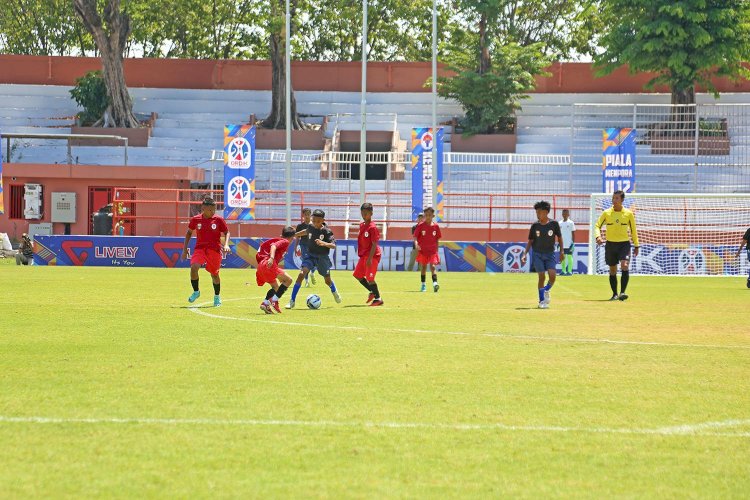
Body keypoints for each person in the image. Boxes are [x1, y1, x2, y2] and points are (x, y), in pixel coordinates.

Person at [286, 209, 341, 309]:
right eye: (314, 220)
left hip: (322, 258)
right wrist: (294, 234)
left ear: (323, 220)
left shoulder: (327, 231)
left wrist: (323, 243)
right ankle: (292, 301)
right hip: (310, 256)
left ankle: (334, 291)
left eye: (318, 221)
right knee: (301, 274)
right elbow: (306, 232)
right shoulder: (310, 226)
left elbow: (333, 245)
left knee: (327, 281)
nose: (315, 223)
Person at [181, 197, 230, 307]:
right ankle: (196, 291)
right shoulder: (195, 219)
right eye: (210, 210)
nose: (212, 212)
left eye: (214, 210)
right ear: (203, 208)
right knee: (194, 267)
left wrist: (226, 244)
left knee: (214, 275)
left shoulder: (219, 220)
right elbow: (188, 233)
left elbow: (227, 232)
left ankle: (217, 297)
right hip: (200, 249)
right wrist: (184, 250)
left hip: (214, 250)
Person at [594, 190, 639, 301]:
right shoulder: (606, 213)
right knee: (613, 270)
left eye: (617, 198)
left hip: (624, 245)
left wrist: (637, 245)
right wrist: (598, 237)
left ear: (622, 200)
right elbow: (597, 225)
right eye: (613, 198)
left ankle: (622, 292)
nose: (614, 200)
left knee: (624, 265)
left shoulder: (628, 214)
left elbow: (634, 230)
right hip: (610, 245)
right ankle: (614, 294)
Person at [521, 201, 564, 309]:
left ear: (545, 212)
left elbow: (559, 238)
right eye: (536, 213)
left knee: (553, 277)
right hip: (537, 254)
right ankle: (541, 301)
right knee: (541, 276)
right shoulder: (535, 226)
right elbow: (530, 240)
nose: (537, 215)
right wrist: (525, 253)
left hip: (550, 254)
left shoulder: (554, 224)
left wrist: (562, 251)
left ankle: (546, 290)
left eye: (539, 212)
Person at [256, 226, 297, 314]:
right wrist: (271, 258)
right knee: (289, 280)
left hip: (261, 266)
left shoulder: (281, 239)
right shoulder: (285, 241)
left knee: (276, 288)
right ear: (292, 238)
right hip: (269, 264)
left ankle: (265, 303)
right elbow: (273, 246)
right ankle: (274, 300)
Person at [353, 202, 384, 306]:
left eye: (366, 213)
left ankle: (378, 299)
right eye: (362, 213)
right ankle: (372, 291)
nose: (364, 215)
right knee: (357, 275)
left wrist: (370, 258)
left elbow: (374, 243)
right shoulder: (362, 225)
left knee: (370, 278)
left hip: (372, 255)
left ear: (371, 213)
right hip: (363, 255)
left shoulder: (372, 227)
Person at [413, 206, 442, 292]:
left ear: (433, 216)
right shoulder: (421, 225)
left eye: (429, 215)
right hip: (423, 251)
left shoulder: (436, 226)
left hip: (432, 251)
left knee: (433, 267)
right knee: (424, 268)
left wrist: (437, 250)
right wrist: (416, 244)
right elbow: (415, 236)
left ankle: (435, 284)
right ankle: (423, 284)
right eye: (426, 215)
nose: (428, 217)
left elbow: (437, 239)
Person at [293, 208, 317, 287]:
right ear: (303, 215)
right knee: (305, 263)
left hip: (313, 246)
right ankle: (307, 281)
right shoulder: (300, 226)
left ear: (311, 215)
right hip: (303, 246)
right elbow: (297, 237)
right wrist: (296, 247)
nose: (307, 216)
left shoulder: (314, 225)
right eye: (305, 214)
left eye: (308, 214)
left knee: (316, 261)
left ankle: (312, 273)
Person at [559, 209, 576, 276]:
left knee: (569, 257)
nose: (564, 215)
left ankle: (569, 271)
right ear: (562, 214)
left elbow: (573, 233)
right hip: (562, 243)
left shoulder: (571, 223)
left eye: (566, 214)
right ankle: (563, 271)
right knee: (562, 257)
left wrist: (573, 243)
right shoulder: (559, 223)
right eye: (563, 213)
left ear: (568, 215)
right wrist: (558, 242)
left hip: (569, 243)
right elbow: (559, 234)